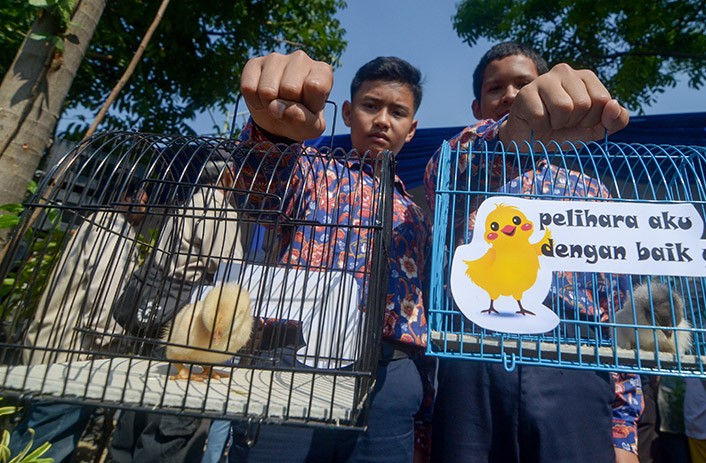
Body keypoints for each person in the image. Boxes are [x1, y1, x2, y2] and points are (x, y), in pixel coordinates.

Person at [422, 42, 642, 463]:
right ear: (477, 105)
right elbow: (452, 166)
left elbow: (615, 308)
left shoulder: (591, 194)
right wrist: (510, 135)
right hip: (471, 360)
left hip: (574, 363)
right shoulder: (456, 172)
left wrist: (623, 429)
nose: (510, 94)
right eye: (496, 88)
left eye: (524, 84)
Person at [227, 52, 432, 463]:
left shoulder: (418, 213)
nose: (382, 120)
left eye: (397, 111)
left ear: (411, 130)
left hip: (390, 370)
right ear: (347, 113)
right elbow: (259, 191)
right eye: (371, 106)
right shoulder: (310, 168)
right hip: (294, 358)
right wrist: (273, 135)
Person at [109, 152, 245, 463]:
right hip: (181, 319)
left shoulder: (188, 204)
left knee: (137, 404)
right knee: (170, 421)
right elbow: (230, 270)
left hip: (151, 310)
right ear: (228, 176)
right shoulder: (220, 210)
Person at [10, 180, 148, 463]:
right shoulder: (115, 231)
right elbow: (104, 296)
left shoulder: (95, 223)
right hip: (71, 359)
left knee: (32, 438)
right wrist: (112, 341)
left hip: (50, 350)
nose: (145, 208)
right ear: (124, 196)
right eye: (143, 200)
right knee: (47, 447)